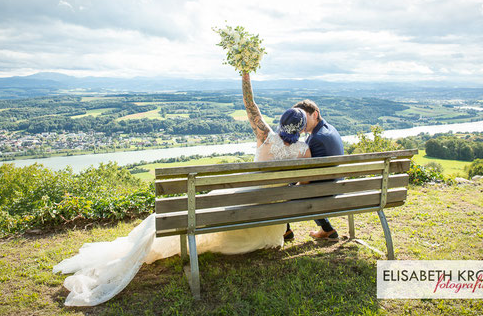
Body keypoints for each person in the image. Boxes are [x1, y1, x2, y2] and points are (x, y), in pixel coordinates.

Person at [52, 72, 311, 306]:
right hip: (271, 213)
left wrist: (245, 74)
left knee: (202, 205)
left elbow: (250, 105)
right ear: (300, 128)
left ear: (280, 122)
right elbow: (306, 182)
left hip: (244, 201)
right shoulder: (303, 150)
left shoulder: (265, 136)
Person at [284, 99, 344, 242]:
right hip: (335, 186)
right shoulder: (330, 129)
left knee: (281, 190)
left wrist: (292, 185)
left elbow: (306, 180)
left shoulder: (316, 139)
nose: (301, 122)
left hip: (323, 192)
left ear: (315, 114)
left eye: (304, 117)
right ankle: (327, 229)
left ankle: (286, 231)